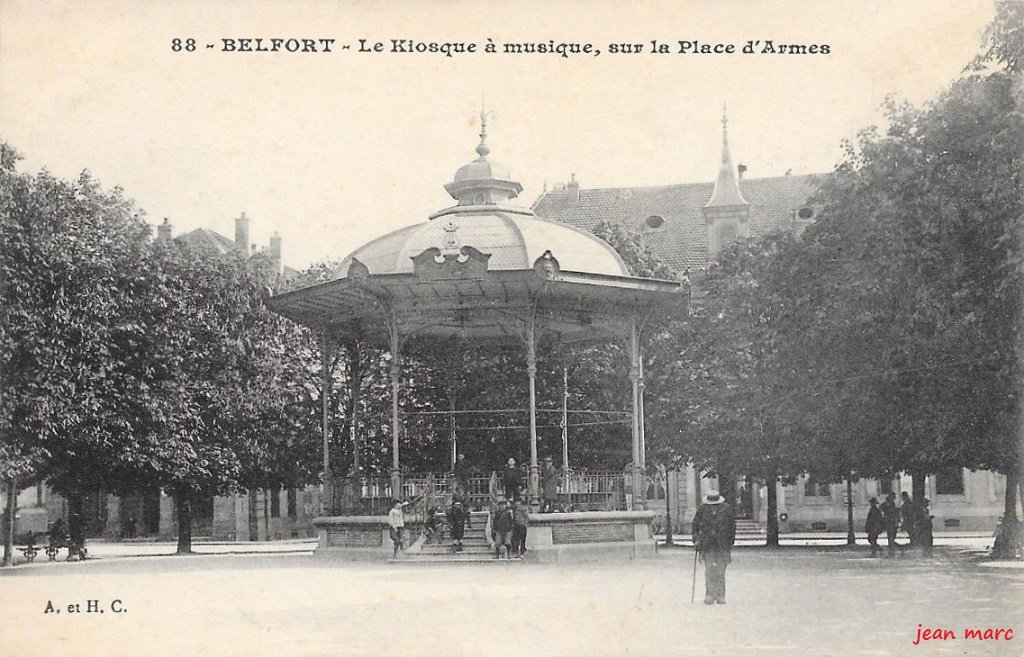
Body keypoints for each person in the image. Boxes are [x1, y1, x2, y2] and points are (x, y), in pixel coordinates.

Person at [692, 490, 735, 605]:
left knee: (721, 570)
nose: (713, 507)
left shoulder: (726, 509)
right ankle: (710, 594)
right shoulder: (702, 509)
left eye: (715, 504)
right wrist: (696, 538)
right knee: (709, 569)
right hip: (707, 544)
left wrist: (730, 543)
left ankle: (721, 595)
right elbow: (695, 524)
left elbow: (732, 526)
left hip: (722, 545)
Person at [880, 492, 900, 557]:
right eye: (893, 496)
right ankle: (891, 552)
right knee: (891, 537)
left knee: (892, 536)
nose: (894, 498)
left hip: (893, 522)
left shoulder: (892, 503)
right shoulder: (887, 503)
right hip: (889, 522)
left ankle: (892, 551)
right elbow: (881, 507)